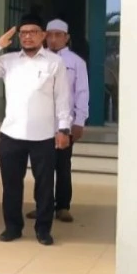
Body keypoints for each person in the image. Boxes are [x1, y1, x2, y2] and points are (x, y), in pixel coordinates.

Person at [0, 14, 72, 246]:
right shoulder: (8, 60)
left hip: (44, 135)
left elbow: (63, 98)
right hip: (11, 134)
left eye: (33, 32)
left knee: (45, 186)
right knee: (11, 185)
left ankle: (43, 229)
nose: (27, 36)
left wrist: (64, 129)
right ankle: (12, 227)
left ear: (43, 35)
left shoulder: (53, 62)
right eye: (23, 33)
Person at [25, 18, 89, 223]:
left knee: (62, 166)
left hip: (64, 124)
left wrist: (79, 121)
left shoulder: (76, 62)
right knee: (41, 167)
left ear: (66, 37)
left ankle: (62, 206)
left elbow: (82, 93)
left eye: (58, 35)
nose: (53, 39)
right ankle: (42, 205)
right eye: (49, 35)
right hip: (40, 123)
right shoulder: (37, 60)